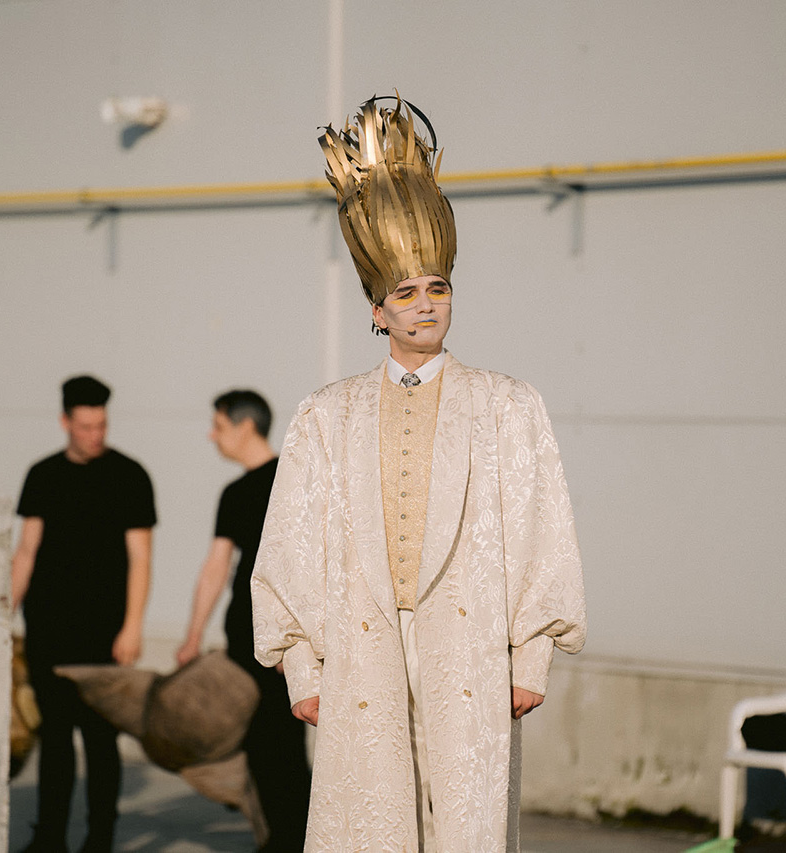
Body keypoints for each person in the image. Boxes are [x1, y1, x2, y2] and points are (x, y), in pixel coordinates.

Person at [251, 95, 587, 852]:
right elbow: (289, 545)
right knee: (370, 825)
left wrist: (531, 654)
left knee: (462, 824)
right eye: (405, 293)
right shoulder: (326, 414)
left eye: (438, 288)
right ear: (377, 311)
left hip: (469, 646)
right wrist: (301, 666)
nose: (425, 305)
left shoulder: (507, 404)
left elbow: (542, 529)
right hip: (360, 647)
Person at [10, 375, 156, 853]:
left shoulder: (130, 475)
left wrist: (132, 626)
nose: (95, 435)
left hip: (105, 632)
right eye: (86, 426)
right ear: (65, 422)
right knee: (54, 738)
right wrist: (3, 616)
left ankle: (99, 840)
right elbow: (26, 552)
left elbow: (140, 558)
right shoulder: (42, 474)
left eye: (102, 426)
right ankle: (49, 837)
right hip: (48, 628)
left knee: (99, 738)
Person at [176, 389, 311, 852]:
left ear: (246, 426)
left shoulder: (295, 482)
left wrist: (299, 637)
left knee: (283, 748)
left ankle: (295, 840)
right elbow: (216, 567)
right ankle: (279, 837)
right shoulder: (235, 493)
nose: (212, 436)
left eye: (219, 426)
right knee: (259, 747)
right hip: (244, 640)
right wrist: (193, 635)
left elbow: (313, 562)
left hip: (285, 644)